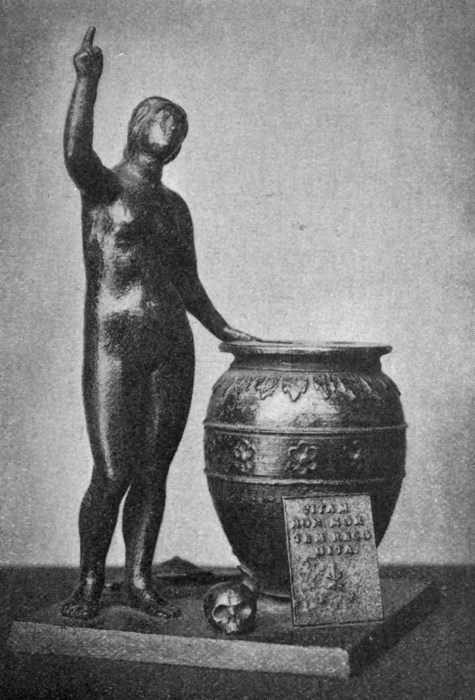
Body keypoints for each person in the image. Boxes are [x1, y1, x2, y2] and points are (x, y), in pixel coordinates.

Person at [62, 27, 257, 620]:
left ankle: (140, 580)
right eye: (164, 118)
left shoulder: (174, 208)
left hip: (171, 342)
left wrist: (225, 330)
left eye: (181, 126)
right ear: (139, 125)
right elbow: (75, 154)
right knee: (112, 470)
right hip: (115, 344)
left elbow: (188, 284)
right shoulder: (104, 187)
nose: (173, 130)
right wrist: (88, 79)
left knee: (152, 471)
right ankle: (90, 582)